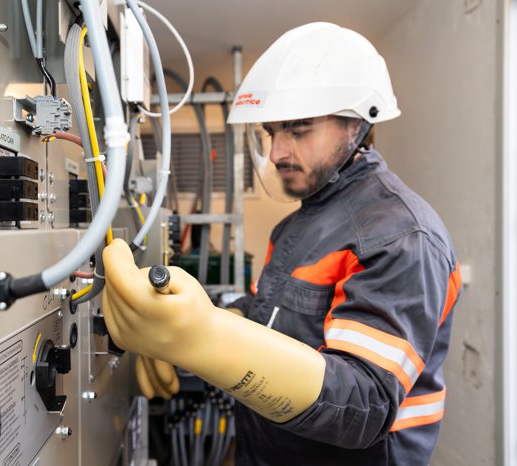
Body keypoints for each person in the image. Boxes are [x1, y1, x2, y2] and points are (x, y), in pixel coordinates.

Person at [101, 22, 462, 466]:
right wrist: (194, 335)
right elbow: (269, 315)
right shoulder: (298, 224)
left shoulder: (400, 236)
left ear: (355, 124)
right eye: (272, 132)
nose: (276, 153)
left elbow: (362, 406)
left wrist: (208, 338)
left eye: (298, 129)